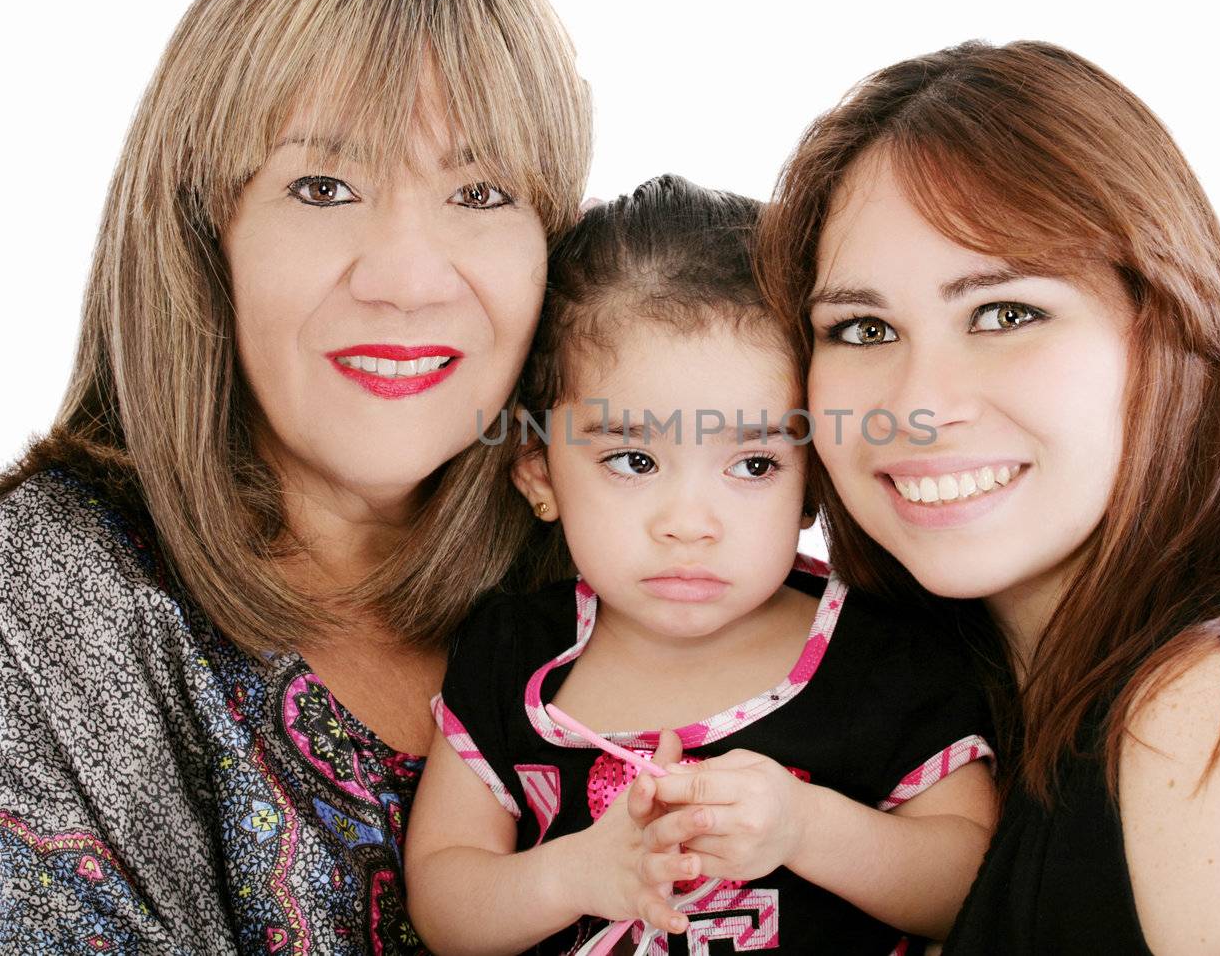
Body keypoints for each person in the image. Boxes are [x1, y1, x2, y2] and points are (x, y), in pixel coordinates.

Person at [0, 0, 591, 952]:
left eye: (481, 191)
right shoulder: (65, 587)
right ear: (199, 234)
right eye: (322, 187)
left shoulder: (615, 558)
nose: (406, 278)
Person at [755, 40, 1220, 954]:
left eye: (1004, 313)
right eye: (862, 327)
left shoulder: (1207, 709)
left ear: (1170, 326)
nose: (916, 404)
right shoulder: (952, 724)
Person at [404, 175, 997, 955]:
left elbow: (976, 884)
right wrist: (572, 874)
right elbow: (444, 897)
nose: (689, 524)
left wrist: (806, 826)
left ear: (812, 481)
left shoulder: (886, 655)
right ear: (540, 473)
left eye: (752, 466)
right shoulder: (513, 656)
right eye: (632, 459)